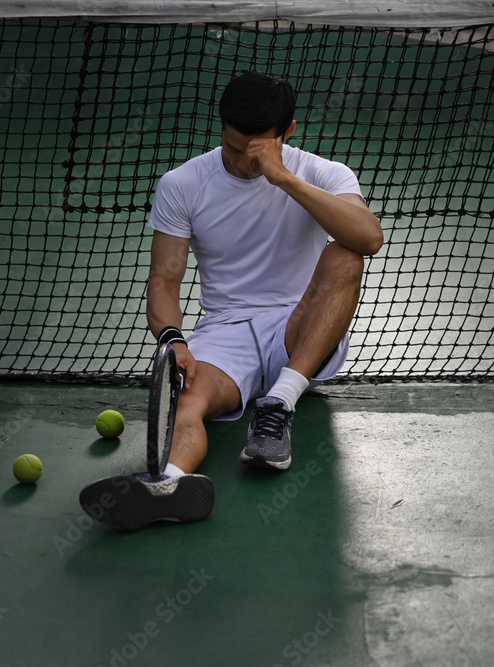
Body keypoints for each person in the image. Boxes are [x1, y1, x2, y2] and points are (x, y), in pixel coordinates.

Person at [80, 71, 383, 530]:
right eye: (234, 147)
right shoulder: (183, 184)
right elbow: (163, 282)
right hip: (224, 333)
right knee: (186, 401)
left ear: (288, 133)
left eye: (257, 151)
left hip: (301, 332)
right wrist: (173, 340)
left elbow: (369, 238)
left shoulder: (322, 173)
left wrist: (282, 178)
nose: (244, 162)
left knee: (346, 254)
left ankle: (280, 403)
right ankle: (166, 484)